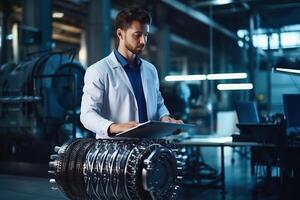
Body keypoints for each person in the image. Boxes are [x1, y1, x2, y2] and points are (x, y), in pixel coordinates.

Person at [80, 7, 183, 138]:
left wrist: (165, 117)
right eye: (137, 35)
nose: (143, 41)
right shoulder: (98, 70)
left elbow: (158, 104)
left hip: (147, 149)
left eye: (146, 35)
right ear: (120, 34)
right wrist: (114, 127)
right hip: (116, 152)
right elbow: (87, 115)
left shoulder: (150, 70)